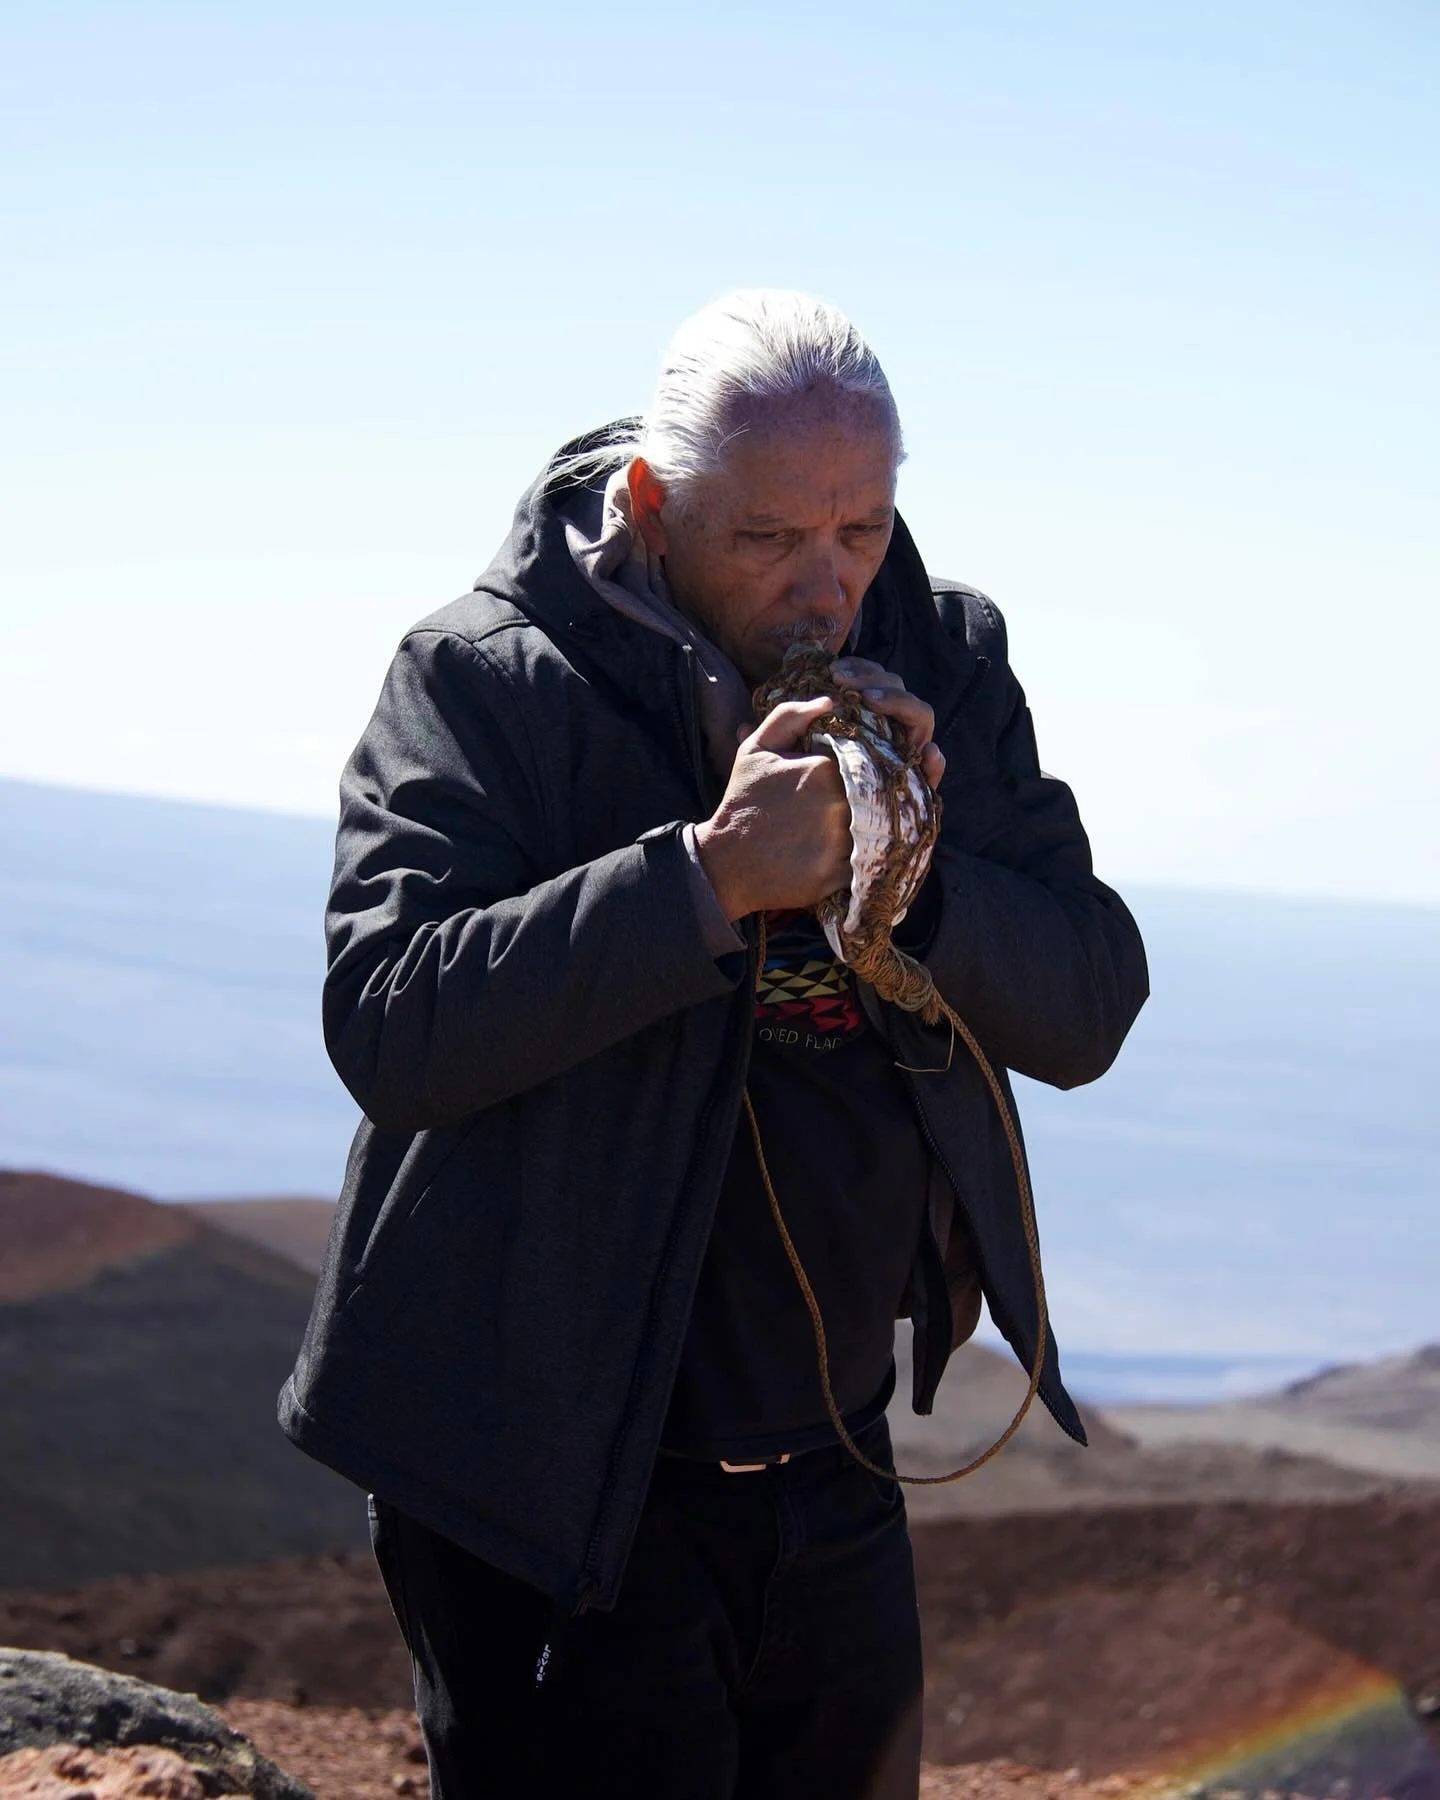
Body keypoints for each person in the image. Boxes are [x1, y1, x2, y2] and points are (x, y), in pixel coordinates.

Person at [279, 289, 1149, 1798]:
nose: (826, 588)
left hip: (832, 1466)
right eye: (767, 540)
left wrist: (921, 878)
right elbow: (391, 1019)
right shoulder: (483, 677)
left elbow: (1089, 1004)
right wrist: (708, 877)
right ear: (649, 505)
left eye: (861, 531)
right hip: (548, 1482)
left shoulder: (939, 657)